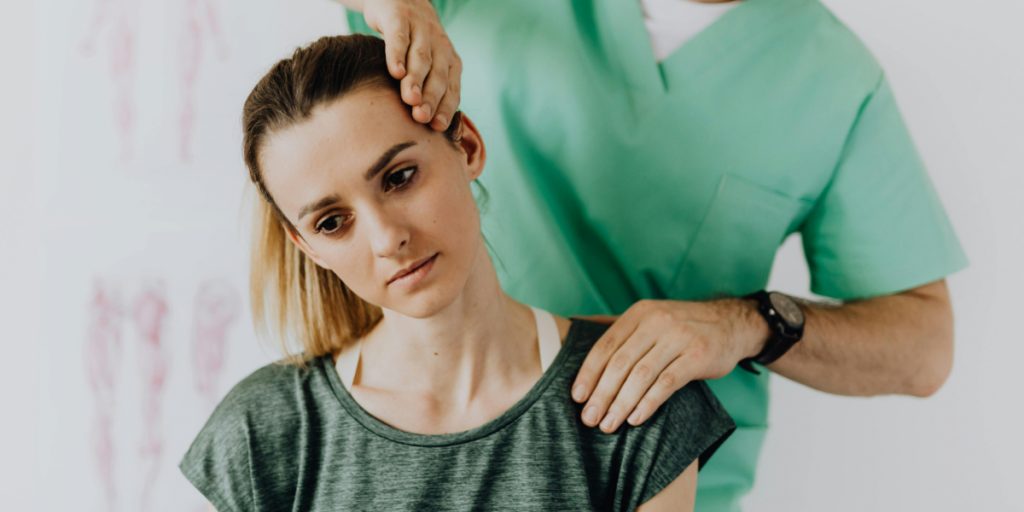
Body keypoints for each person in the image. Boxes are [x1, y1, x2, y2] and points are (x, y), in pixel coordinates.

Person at [335, 0, 969, 509]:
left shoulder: (832, 78)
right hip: (415, 447)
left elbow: (924, 347)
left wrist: (745, 323)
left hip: (655, 476)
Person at [179, 34, 736, 511]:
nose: (386, 238)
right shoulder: (262, 434)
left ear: (466, 146)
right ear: (307, 247)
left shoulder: (636, 399)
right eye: (332, 222)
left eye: (399, 177)